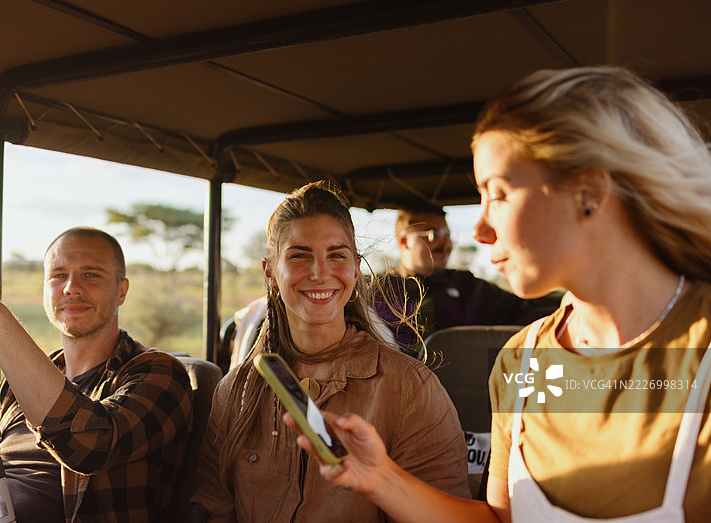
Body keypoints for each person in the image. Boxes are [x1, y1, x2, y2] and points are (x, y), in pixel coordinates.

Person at [286, 67, 711, 522]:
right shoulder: (520, 360)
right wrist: (380, 477)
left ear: (588, 192)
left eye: (499, 194)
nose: (481, 230)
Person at [191, 181, 470, 522]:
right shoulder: (237, 390)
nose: (320, 273)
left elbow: (445, 511)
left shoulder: (411, 389)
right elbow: (213, 505)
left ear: (355, 271)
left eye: (336, 255)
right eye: (299, 255)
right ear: (270, 274)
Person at [0, 227, 193, 523]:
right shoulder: (21, 378)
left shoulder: (159, 372)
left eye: (91, 274)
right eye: (58, 275)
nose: (71, 287)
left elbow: (90, 448)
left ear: (121, 290)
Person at [378, 204, 560, 350]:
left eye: (448, 235)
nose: (446, 244)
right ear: (404, 242)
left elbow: (526, 306)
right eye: (434, 235)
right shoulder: (376, 292)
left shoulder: (468, 287)